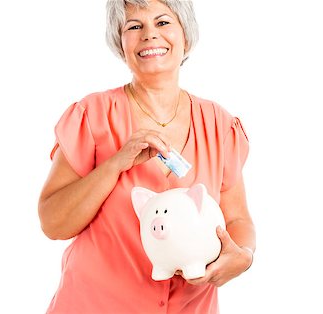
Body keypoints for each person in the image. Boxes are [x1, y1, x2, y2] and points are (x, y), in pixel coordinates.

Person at [38, 0, 256, 313]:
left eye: (163, 22)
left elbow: (237, 218)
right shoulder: (91, 116)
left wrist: (242, 256)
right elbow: (52, 222)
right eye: (135, 26)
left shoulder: (220, 125)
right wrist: (115, 164)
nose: (149, 35)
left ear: (186, 35)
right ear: (120, 41)